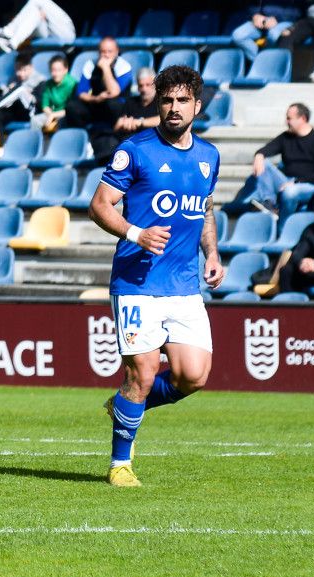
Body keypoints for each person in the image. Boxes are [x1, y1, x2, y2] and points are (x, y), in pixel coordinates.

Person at [87, 65, 226, 487]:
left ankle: (126, 404)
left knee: (193, 376)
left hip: (184, 283)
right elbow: (100, 204)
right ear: (156, 103)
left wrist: (213, 254)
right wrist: (135, 232)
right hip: (137, 282)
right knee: (142, 373)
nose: (174, 108)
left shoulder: (208, 156)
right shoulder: (135, 150)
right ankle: (120, 464)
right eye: (167, 100)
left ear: (197, 106)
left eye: (183, 100)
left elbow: (204, 208)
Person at [227, 103, 314, 217]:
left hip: (308, 184)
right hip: (285, 181)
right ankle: (269, 203)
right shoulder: (286, 137)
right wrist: (259, 155)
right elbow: (266, 150)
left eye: (289, 118)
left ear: (303, 119)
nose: (286, 122)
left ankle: (282, 226)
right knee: (264, 163)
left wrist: (296, 182)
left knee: (290, 192)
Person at [63, 37, 133, 132]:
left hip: (117, 107)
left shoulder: (124, 67)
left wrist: (105, 68)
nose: (106, 55)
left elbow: (114, 92)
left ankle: (111, 135)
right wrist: (95, 99)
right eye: (103, 51)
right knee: (72, 106)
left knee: (112, 104)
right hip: (96, 102)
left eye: (110, 51)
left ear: (117, 51)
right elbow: (81, 92)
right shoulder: (90, 64)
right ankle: (82, 137)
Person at [0, 0, 76, 61]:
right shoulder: (33, 8)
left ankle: (7, 33)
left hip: (67, 36)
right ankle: (11, 43)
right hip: (48, 34)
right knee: (35, 12)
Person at [231, 2, 303, 62]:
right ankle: (259, 62)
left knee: (273, 35)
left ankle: (268, 63)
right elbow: (251, 4)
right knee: (238, 35)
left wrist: (277, 19)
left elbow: (298, 11)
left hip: (284, 21)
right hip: (261, 20)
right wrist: (255, 15)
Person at [31, 54, 75, 132]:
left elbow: (72, 109)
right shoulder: (48, 84)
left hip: (67, 115)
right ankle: (39, 142)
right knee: (35, 120)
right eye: (52, 70)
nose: (55, 73)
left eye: (58, 70)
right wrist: (51, 115)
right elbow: (45, 105)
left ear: (66, 69)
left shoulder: (72, 84)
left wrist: (54, 115)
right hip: (51, 114)